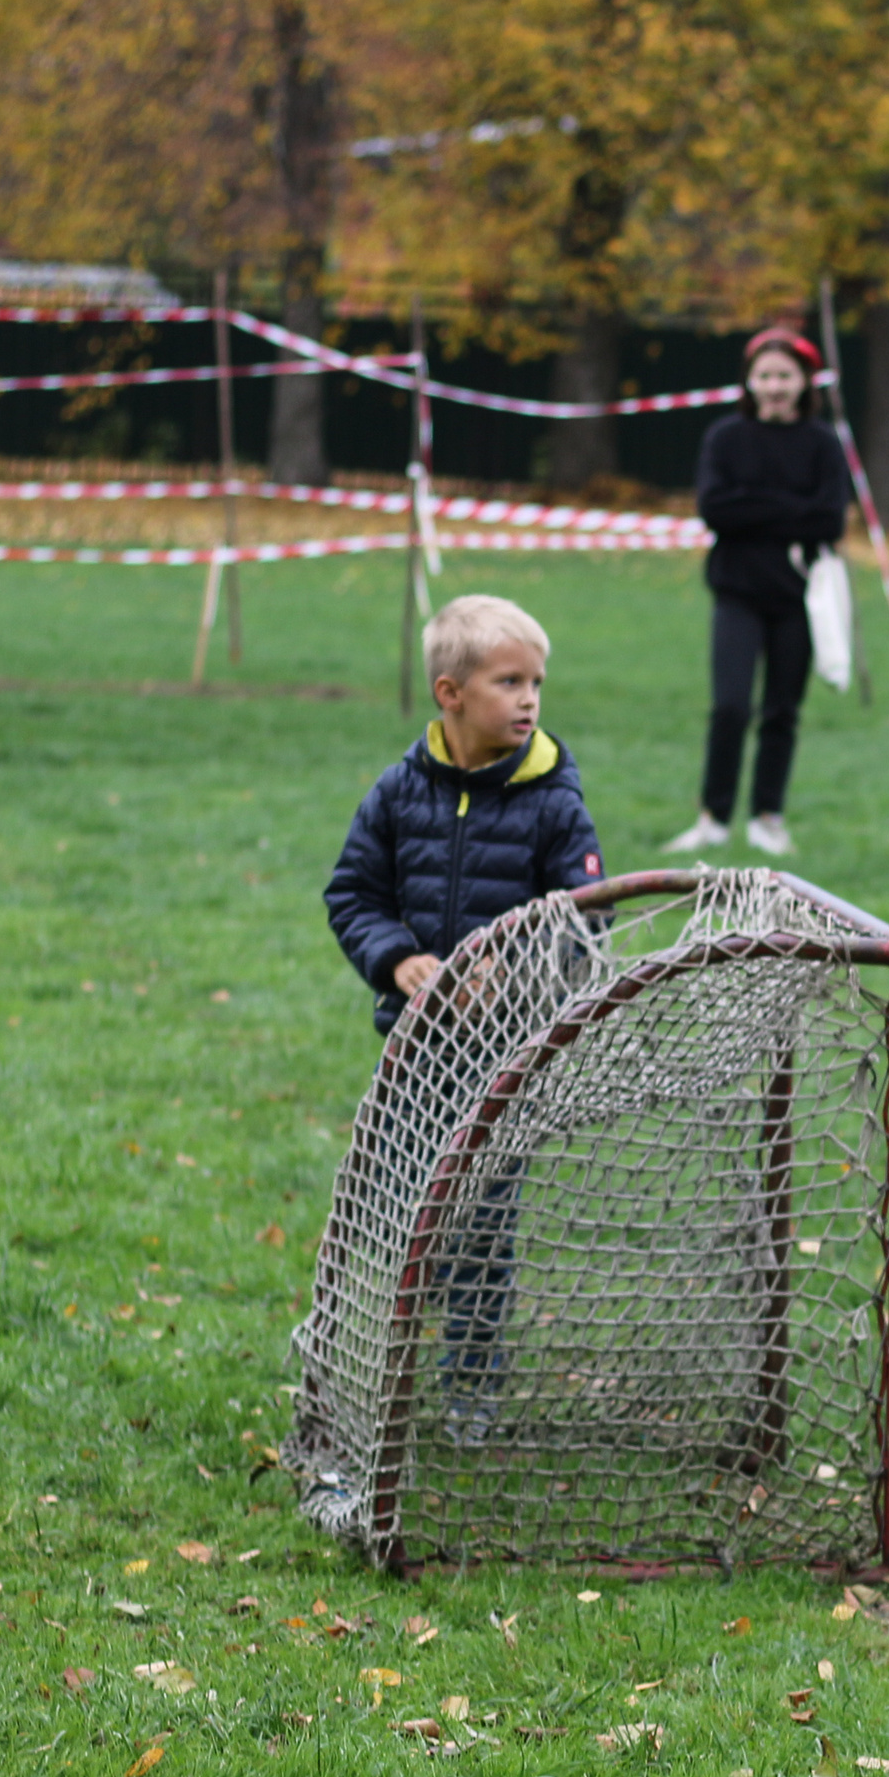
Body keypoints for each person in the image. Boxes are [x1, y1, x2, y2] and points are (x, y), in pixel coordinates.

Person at [322, 594, 605, 1440]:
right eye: (507, 681)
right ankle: (410, 1338)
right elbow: (353, 893)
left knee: (482, 1230)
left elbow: (588, 921)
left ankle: (471, 1390)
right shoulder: (399, 791)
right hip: (413, 1053)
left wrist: (511, 968)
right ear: (450, 693)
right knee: (411, 1207)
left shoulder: (554, 801)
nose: (528, 700)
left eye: (537, 683)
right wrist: (396, 957)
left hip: (502, 1058)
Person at [664, 327, 850, 859]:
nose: (774, 386)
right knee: (730, 706)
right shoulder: (725, 438)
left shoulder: (822, 443)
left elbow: (829, 519)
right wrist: (791, 509)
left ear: (803, 382)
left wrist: (756, 508)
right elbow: (716, 509)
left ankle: (768, 816)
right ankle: (713, 818)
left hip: (798, 600)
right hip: (736, 593)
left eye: (784, 376)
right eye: (765, 375)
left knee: (781, 711)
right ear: (749, 381)